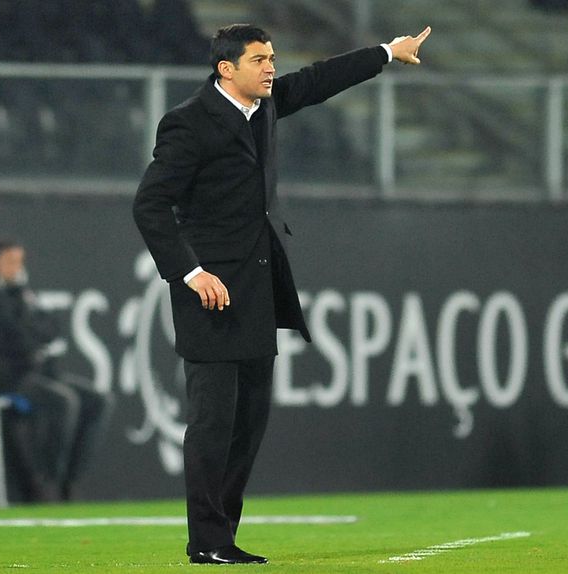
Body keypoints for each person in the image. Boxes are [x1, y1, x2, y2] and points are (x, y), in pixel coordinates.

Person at [133, 23, 431, 564]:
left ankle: (223, 535)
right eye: (259, 60)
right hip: (210, 294)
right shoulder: (188, 123)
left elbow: (318, 80)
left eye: (272, 57)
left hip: (257, 287)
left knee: (248, 423)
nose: (271, 67)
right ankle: (208, 542)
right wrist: (190, 273)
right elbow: (149, 204)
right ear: (226, 69)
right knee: (213, 423)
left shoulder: (264, 107)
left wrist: (387, 53)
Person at [0, 239, 114, 502]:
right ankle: (45, 482)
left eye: (19, 261)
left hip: (37, 374)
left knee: (98, 401)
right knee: (63, 402)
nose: (16, 267)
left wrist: (30, 333)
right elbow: (7, 336)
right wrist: (32, 335)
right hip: (6, 377)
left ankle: (70, 480)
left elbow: (51, 327)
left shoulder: (21, 292)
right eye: (10, 261)